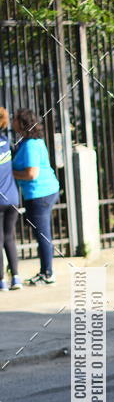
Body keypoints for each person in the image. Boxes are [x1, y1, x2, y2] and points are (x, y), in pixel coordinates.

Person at [11, 108, 60, 285]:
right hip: (43, 191)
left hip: (40, 193)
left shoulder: (31, 145)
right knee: (42, 233)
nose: (12, 122)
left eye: (15, 119)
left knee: (42, 235)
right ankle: (45, 271)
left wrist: (10, 173)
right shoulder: (30, 141)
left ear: (22, 123)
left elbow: (32, 174)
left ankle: (47, 273)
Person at [0, 107, 21, 291]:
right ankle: (16, 277)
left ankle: (1, 281)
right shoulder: (6, 142)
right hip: (12, 197)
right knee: (10, 238)